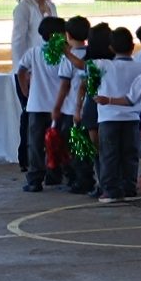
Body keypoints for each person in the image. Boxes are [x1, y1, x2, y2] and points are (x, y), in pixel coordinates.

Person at [69, 28, 141, 203]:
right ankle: (129, 187)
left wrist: (66, 52)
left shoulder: (102, 65)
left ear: (111, 48)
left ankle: (110, 190)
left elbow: (80, 65)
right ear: (132, 46)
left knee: (108, 155)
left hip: (109, 118)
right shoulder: (140, 66)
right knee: (130, 154)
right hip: (132, 118)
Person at [11, 0, 57, 171]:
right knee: (30, 114)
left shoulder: (51, 6)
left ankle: (49, 156)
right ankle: (27, 158)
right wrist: (23, 68)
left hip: (49, 67)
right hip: (29, 68)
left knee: (48, 113)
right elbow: (18, 40)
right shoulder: (24, 8)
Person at [17, 16, 66, 193]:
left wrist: (25, 91)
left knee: (36, 144)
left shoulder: (34, 52)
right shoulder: (64, 55)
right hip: (59, 105)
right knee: (58, 142)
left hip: (37, 105)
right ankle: (55, 174)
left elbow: (21, 70)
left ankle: (35, 179)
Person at [51, 15, 91, 190]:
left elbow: (64, 85)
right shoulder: (92, 53)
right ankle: (86, 178)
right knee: (86, 147)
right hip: (89, 108)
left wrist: (57, 107)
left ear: (67, 35)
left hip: (71, 109)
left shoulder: (69, 57)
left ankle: (79, 180)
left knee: (74, 147)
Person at [75, 23, 113, 198]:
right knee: (101, 149)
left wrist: (78, 109)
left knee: (100, 149)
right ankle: (103, 182)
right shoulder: (96, 63)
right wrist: (78, 108)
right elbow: (83, 85)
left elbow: (82, 77)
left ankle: (104, 183)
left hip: (97, 106)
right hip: (97, 106)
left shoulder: (98, 63)